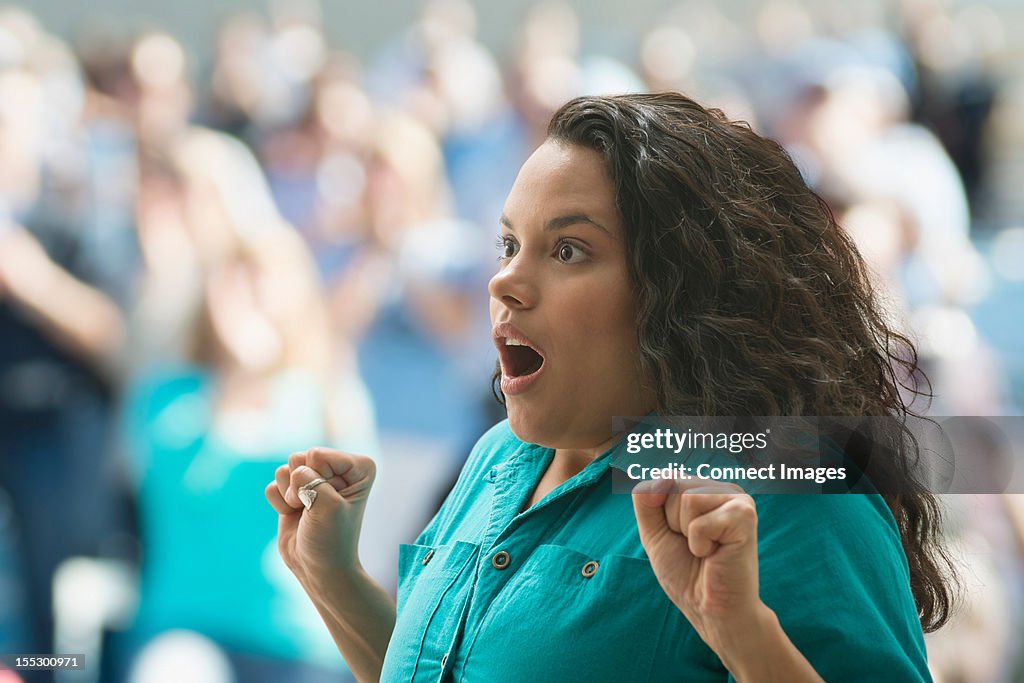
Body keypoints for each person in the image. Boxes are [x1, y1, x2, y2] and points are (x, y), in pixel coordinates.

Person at [266, 92, 955, 681]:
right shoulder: (496, 458)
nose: (504, 279)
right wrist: (334, 579)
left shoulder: (795, 480)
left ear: (681, 291)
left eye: (569, 249)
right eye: (510, 244)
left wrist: (743, 634)